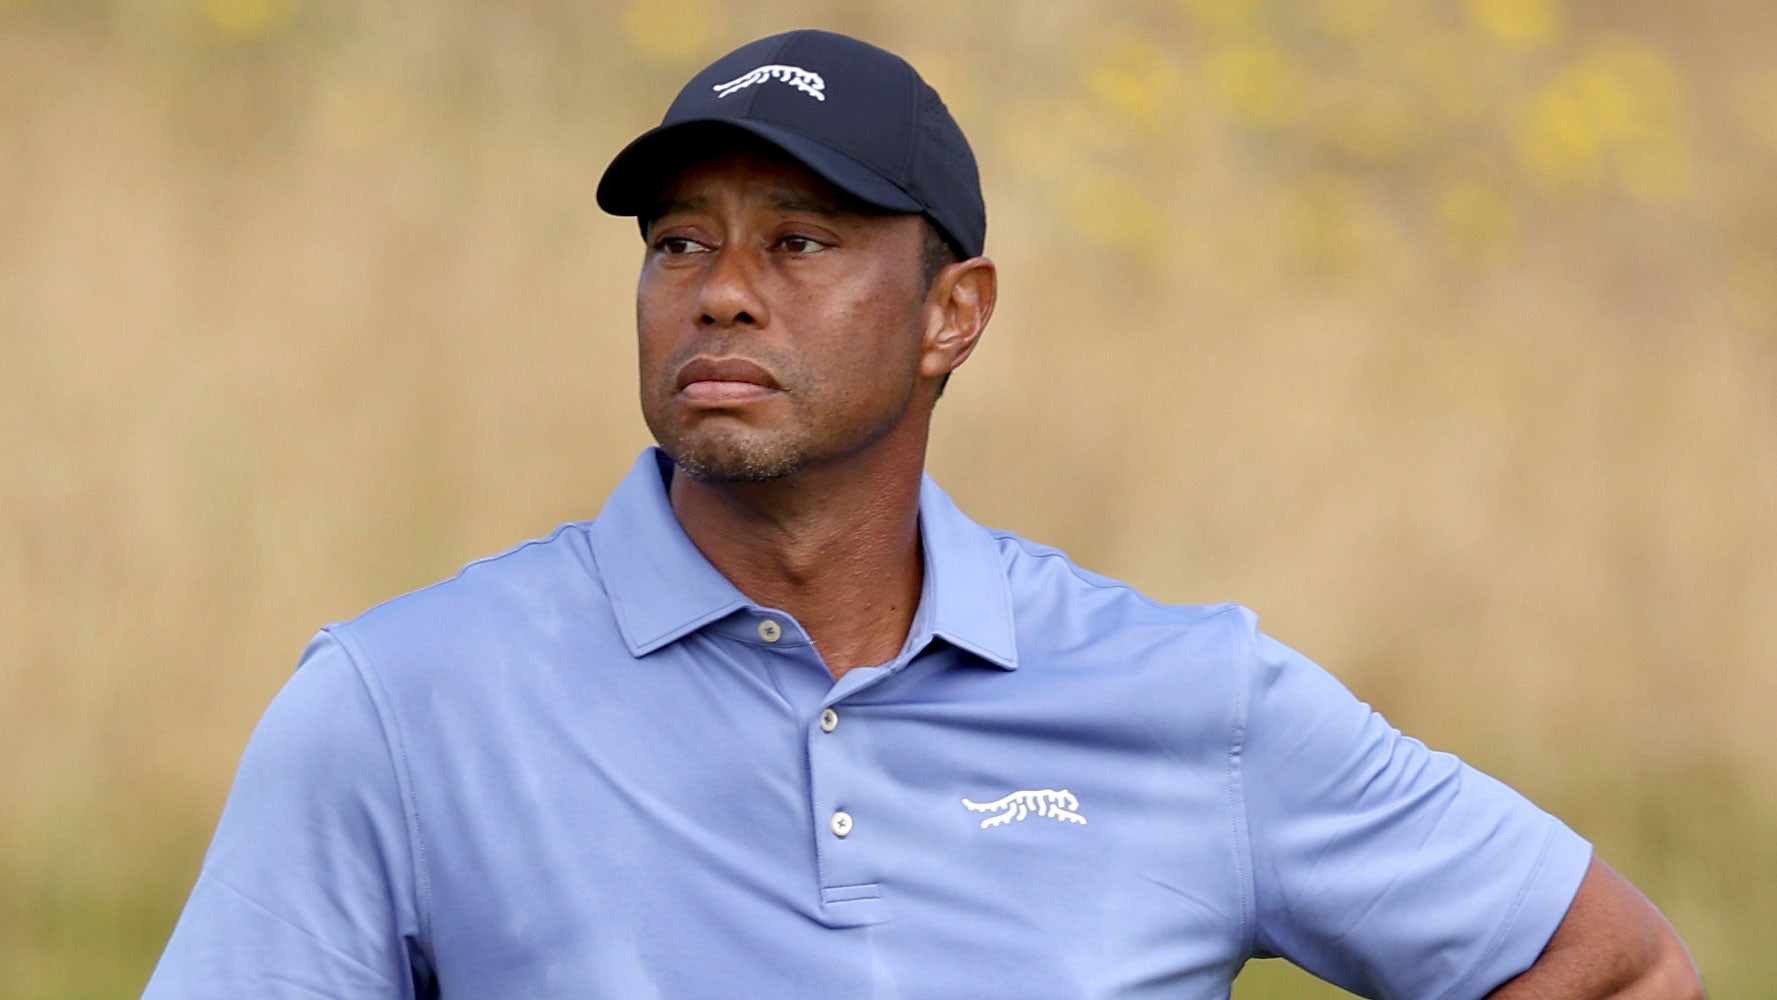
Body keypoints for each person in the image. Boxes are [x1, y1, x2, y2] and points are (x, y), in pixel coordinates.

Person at [144, 29, 1704, 1000]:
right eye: (679, 243)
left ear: (953, 312)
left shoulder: (1190, 700)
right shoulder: (400, 706)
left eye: (802, 241)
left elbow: (1615, 967)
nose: (724, 290)